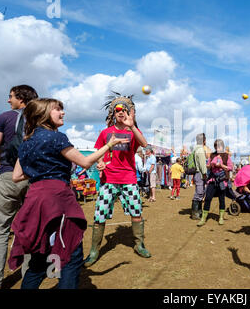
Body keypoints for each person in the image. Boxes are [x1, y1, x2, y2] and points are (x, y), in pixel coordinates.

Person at [8, 98, 129, 289]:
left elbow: (16, 176)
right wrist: (109, 145)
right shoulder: (57, 137)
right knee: (70, 257)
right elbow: (86, 163)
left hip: (35, 200)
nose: (62, 113)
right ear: (43, 114)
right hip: (57, 199)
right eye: (57, 109)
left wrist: (41, 171)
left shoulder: (26, 141)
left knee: (39, 261)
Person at [0, 85, 38, 289]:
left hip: (7, 175)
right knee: (31, 230)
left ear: (21, 99)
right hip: (34, 178)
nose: (8, 100)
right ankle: (30, 279)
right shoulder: (43, 117)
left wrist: (4, 161)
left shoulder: (5, 117)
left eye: (11, 96)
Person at [84, 93, 151, 268]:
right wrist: (100, 163)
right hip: (109, 179)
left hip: (129, 179)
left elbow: (144, 144)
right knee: (100, 215)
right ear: (113, 113)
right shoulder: (105, 132)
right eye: (117, 109)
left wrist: (132, 126)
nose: (120, 112)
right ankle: (94, 250)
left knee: (136, 213)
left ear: (129, 112)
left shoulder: (133, 131)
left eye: (124, 109)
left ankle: (139, 245)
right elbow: (99, 150)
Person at [197, 139, 233, 226]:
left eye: (219, 146)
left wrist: (221, 165)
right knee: (208, 198)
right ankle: (203, 218)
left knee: (222, 199)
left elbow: (230, 167)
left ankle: (221, 217)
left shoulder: (226, 156)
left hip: (222, 180)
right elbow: (208, 166)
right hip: (212, 180)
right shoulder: (212, 155)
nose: (218, 147)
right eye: (216, 146)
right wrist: (210, 165)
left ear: (222, 146)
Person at [190, 133, 207, 220]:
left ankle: (198, 212)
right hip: (199, 173)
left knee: (199, 192)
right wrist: (204, 174)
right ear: (204, 141)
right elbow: (202, 164)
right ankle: (195, 213)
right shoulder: (200, 150)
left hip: (196, 173)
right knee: (199, 193)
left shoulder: (195, 149)